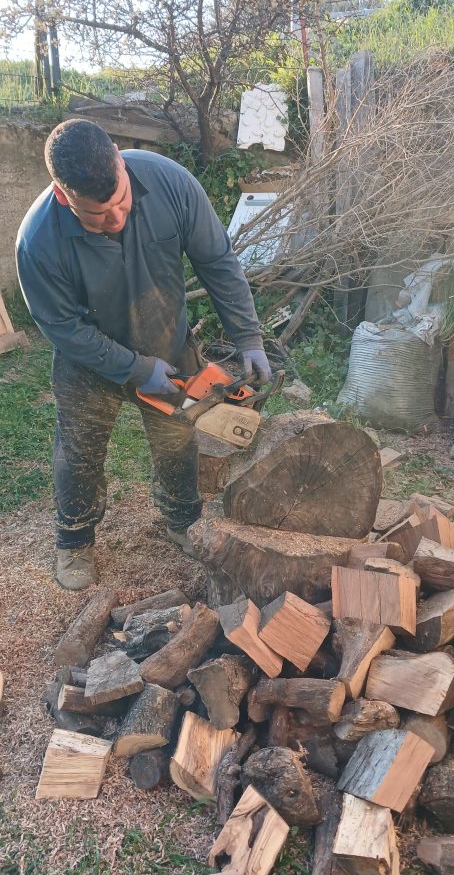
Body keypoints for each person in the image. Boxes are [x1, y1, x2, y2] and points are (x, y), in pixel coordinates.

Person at [16, 119, 271, 591]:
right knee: (80, 449)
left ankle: (181, 521)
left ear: (118, 155)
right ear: (61, 194)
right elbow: (64, 329)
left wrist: (248, 337)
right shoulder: (37, 242)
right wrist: (133, 369)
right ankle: (74, 541)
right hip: (88, 362)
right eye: (97, 215)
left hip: (167, 346)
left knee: (178, 440)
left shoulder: (171, 183)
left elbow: (217, 262)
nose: (115, 218)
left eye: (120, 201)